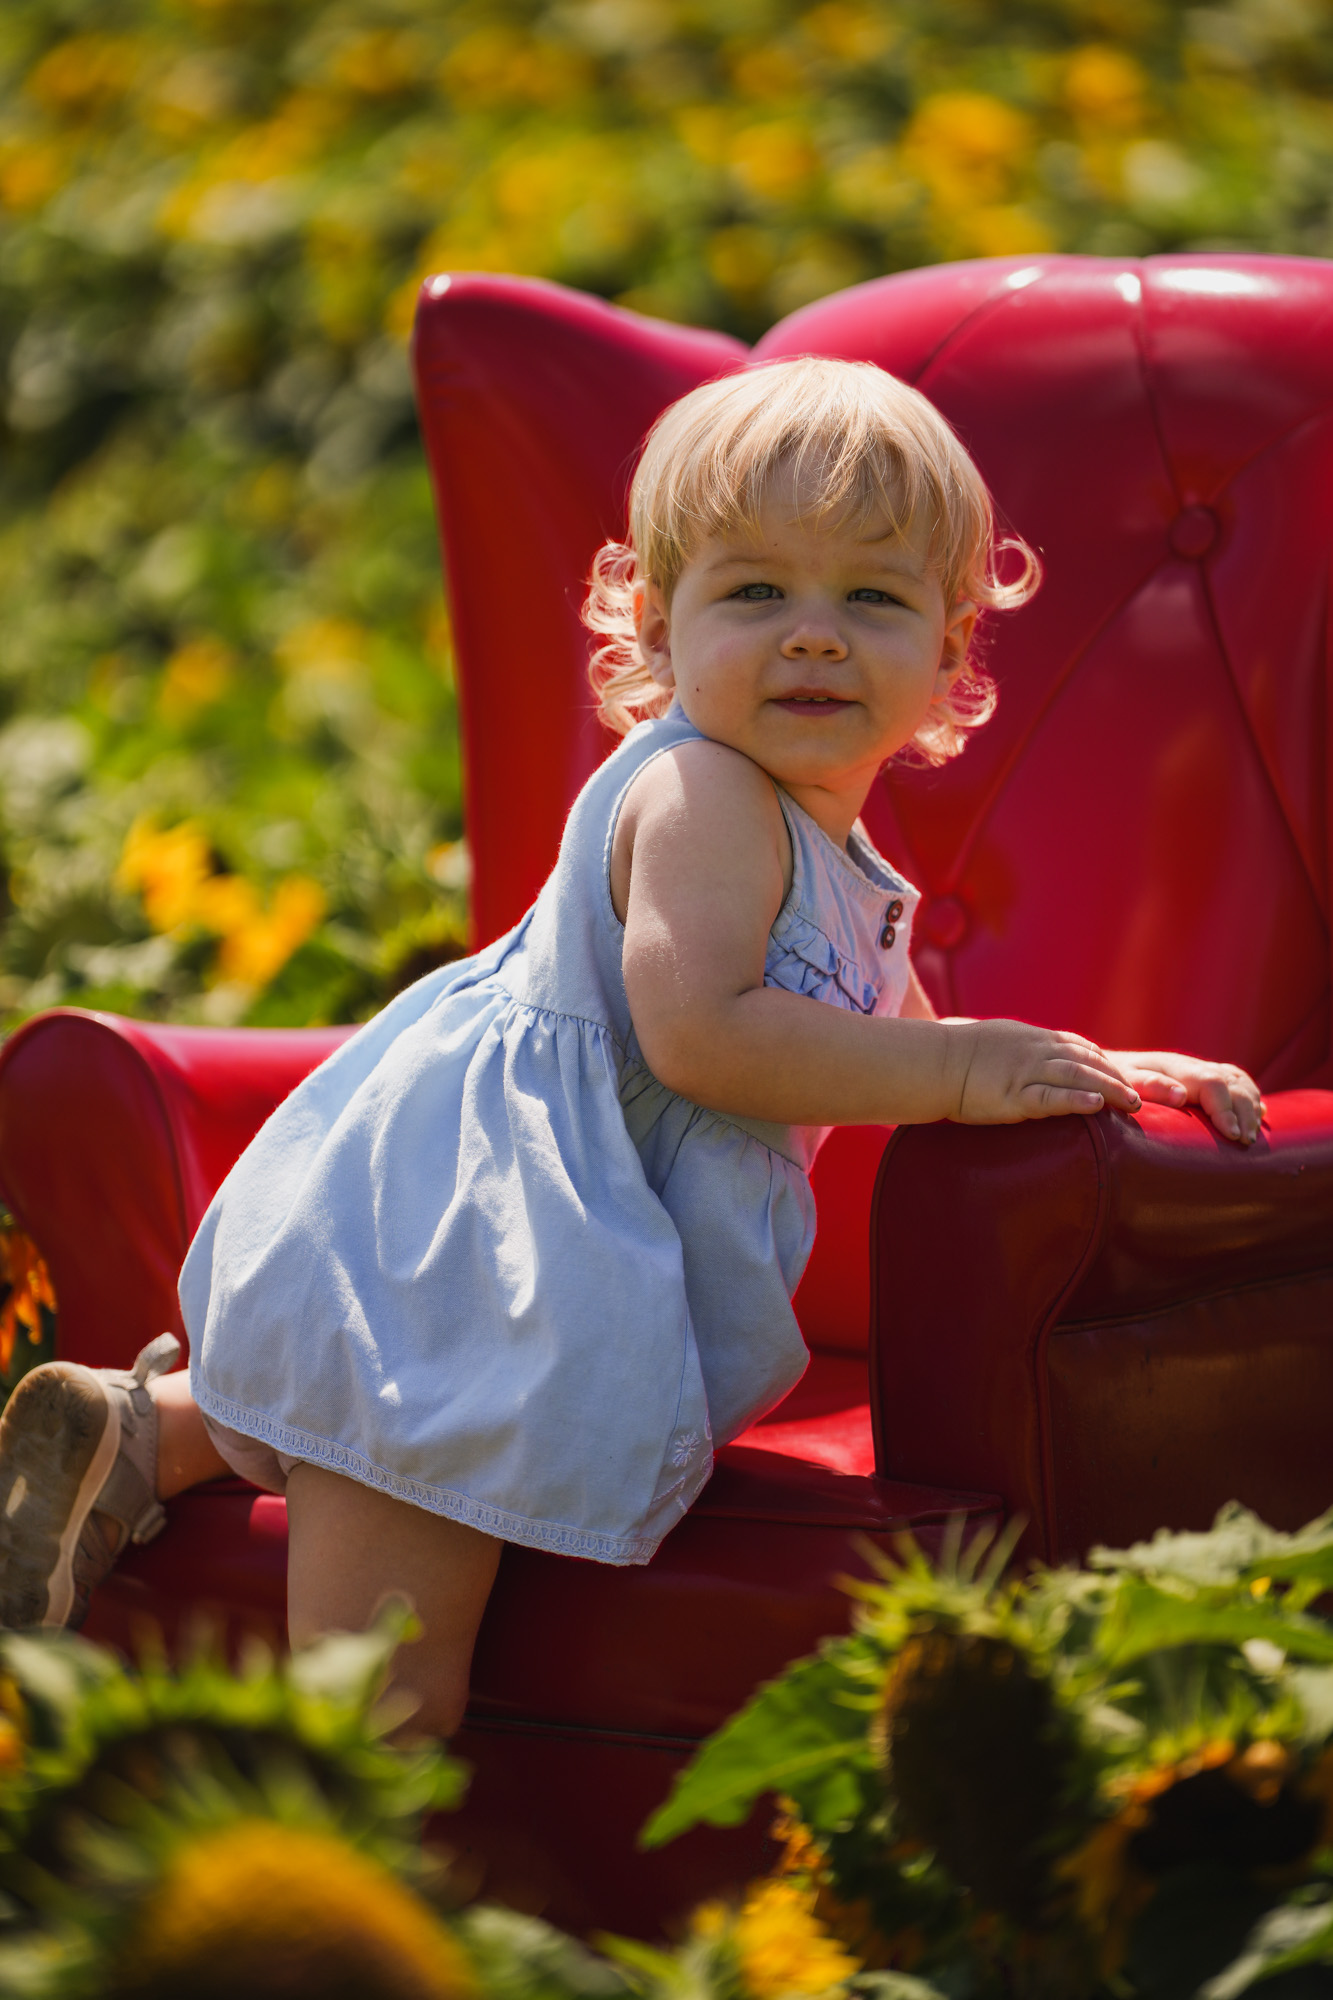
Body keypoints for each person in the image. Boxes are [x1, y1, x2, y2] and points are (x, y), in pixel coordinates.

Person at [0, 358, 1264, 1731]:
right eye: (756, 594)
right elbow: (702, 1037)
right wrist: (965, 1078)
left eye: (873, 598)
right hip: (473, 1252)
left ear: (951, 653)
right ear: (658, 632)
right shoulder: (704, 794)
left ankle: (144, 1433)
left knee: (367, 1447)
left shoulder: (822, 837)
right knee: (386, 1683)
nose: (815, 637)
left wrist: (1076, 1064)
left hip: (532, 1245)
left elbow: (872, 1027)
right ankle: (324, 1898)